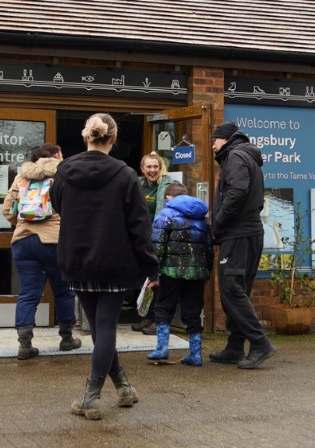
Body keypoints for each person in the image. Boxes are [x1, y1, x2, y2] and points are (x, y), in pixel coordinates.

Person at [51, 113, 160, 420]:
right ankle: (92, 394)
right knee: (106, 326)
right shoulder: (125, 175)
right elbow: (140, 226)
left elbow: (57, 205)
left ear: (87, 136)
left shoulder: (63, 171)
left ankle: (122, 385)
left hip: (76, 259)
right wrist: (151, 267)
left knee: (100, 327)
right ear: (113, 139)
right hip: (114, 260)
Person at [2, 143, 81, 360]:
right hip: (55, 242)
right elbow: (75, 211)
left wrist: (21, 223)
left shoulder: (21, 177)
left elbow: (7, 210)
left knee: (28, 293)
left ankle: (25, 344)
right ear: (56, 155)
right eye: (62, 153)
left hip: (24, 241)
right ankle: (66, 339)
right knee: (64, 291)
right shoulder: (64, 177)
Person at [210, 121, 277, 369]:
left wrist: (218, 220)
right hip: (246, 233)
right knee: (237, 290)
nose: (213, 145)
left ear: (225, 139)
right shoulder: (243, 156)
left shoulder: (236, 157)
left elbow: (237, 191)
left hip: (238, 234)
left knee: (232, 289)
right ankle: (235, 346)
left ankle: (260, 343)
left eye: (214, 140)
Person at [146, 182, 213, 366]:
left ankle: (161, 349)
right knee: (192, 311)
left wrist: (152, 271)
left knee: (164, 307)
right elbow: (208, 248)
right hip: (196, 272)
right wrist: (206, 270)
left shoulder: (165, 214)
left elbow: (157, 245)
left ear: (168, 197)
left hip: (170, 271)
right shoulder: (201, 217)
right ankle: (196, 354)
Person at [131, 151, 175, 335]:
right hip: (140, 240)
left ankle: (158, 321)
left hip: (159, 240)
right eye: (148, 167)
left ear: (160, 168)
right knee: (142, 280)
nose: (152, 170)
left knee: (157, 282)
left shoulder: (168, 187)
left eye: (155, 166)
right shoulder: (137, 186)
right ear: (142, 169)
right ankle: (146, 317)